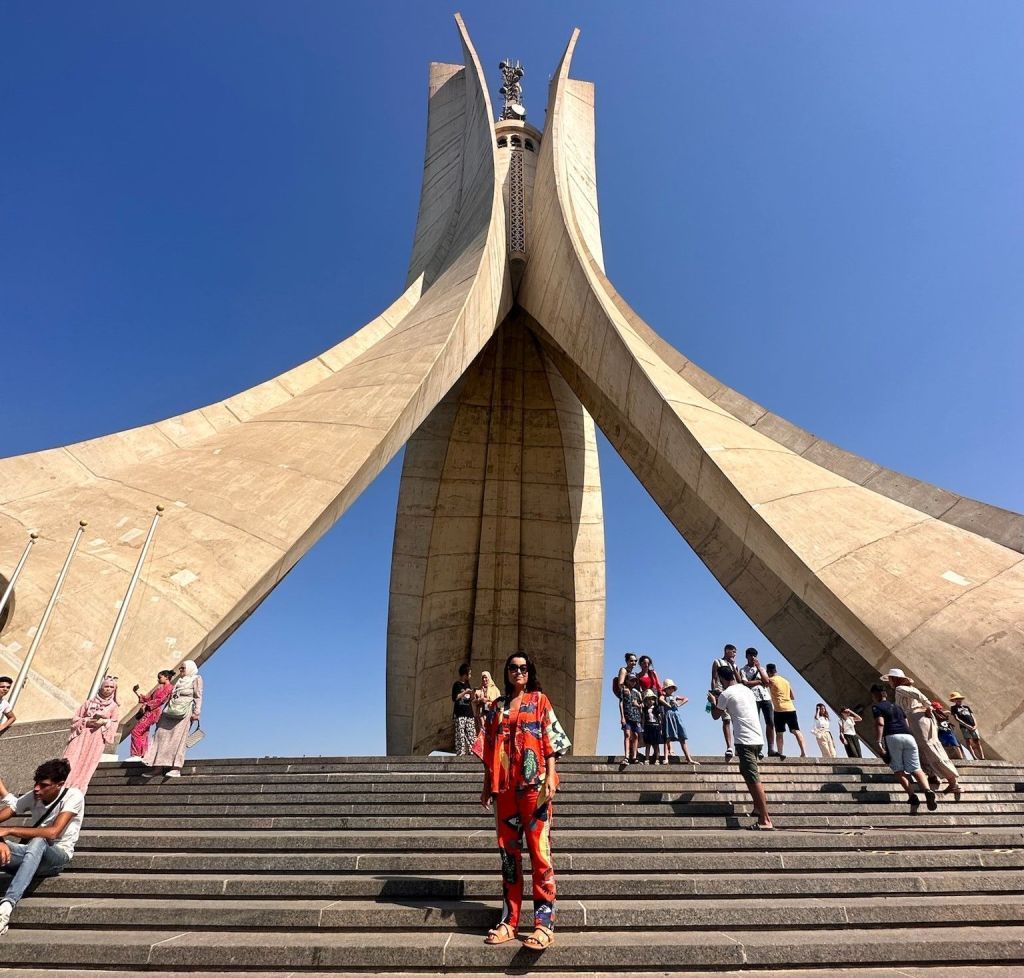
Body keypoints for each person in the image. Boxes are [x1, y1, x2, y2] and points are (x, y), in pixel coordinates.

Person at [480, 651, 571, 951]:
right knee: (509, 858)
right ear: (506, 672)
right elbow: (491, 747)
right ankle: (510, 921)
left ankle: (544, 924)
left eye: (523, 668)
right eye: (512, 668)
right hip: (504, 789)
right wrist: (486, 785)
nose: (518, 672)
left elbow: (551, 742)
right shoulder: (497, 707)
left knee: (539, 852)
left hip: (535, 787)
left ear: (529, 672)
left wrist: (551, 776)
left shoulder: (540, 701)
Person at [0, 758, 85, 937]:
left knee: (39, 840)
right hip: (29, 854)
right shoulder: (34, 795)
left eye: (44, 785)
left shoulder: (73, 796)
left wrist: (10, 830)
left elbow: (53, 833)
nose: (37, 789)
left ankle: (6, 905)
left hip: (56, 856)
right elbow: (8, 812)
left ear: (59, 785)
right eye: (36, 783)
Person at [709, 666, 773, 830]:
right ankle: (758, 807)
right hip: (758, 738)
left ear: (722, 680)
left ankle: (765, 820)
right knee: (746, 772)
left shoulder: (726, 694)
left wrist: (712, 701)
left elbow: (716, 715)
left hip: (745, 740)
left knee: (753, 777)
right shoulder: (746, 690)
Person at [882, 668, 960, 799]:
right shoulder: (905, 688)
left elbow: (919, 696)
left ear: (894, 679)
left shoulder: (900, 689)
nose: (889, 681)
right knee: (922, 748)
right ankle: (932, 775)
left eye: (890, 678)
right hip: (916, 718)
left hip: (917, 718)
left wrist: (928, 705)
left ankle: (952, 780)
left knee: (928, 746)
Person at [870, 683, 937, 811]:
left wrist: (878, 742)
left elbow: (880, 723)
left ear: (875, 695)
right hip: (908, 737)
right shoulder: (898, 707)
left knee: (898, 769)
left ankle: (912, 796)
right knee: (916, 768)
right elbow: (906, 723)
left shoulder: (877, 707)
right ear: (885, 694)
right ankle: (927, 790)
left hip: (892, 736)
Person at [144, 660, 203, 778]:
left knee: (178, 739)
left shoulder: (196, 679)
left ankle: (176, 768)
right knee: (161, 736)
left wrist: (196, 712)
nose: (180, 670)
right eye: (180, 668)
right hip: (170, 710)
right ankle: (157, 767)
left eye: (183, 668)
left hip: (184, 712)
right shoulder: (179, 681)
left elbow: (198, 695)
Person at [62, 675, 119, 792]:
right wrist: (86, 721)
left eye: (111, 687)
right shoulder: (88, 703)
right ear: (101, 687)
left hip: (96, 738)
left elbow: (114, 723)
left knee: (88, 761)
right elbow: (75, 718)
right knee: (71, 757)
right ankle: (63, 782)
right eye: (106, 686)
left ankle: (78, 786)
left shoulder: (113, 707)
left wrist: (105, 722)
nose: (108, 689)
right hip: (81, 734)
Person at [126, 670, 175, 761]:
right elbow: (148, 698)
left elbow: (160, 700)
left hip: (153, 712)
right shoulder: (159, 688)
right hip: (149, 711)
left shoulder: (169, 688)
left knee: (136, 731)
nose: (158, 679)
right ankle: (142, 754)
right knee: (143, 733)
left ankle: (137, 754)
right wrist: (137, 692)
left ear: (166, 677)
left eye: (160, 677)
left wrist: (146, 705)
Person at [766, 663, 807, 759]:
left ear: (769, 672)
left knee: (779, 733)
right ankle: (804, 752)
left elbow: (763, 682)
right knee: (796, 730)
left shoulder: (771, 680)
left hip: (779, 709)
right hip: (790, 708)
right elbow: (792, 696)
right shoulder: (786, 681)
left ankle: (780, 752)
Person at [738, 649, 774, 755]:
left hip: (765, 697)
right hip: (753, 698)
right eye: (751, 655)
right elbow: (745, 683)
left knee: (770, 722)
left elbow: (767, 682)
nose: (753, 657)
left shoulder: (761, 669)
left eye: (754, 655)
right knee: (755, 723)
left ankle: (771, 748)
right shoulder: (743, 670)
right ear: (747, 656)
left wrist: (759, 668)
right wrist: (759, 681)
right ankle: (759, 749)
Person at [710, 645, 741, 760]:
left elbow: (738, 680)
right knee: (726, 719)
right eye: (733, 652)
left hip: (733, 693)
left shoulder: (735, 665)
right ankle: (729, 747)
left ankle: (738, 745)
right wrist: (713, 691)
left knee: (735, 719)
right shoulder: (717, 662)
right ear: (727, 651)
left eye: (735, 652)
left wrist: (733, 665)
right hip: (720, 692)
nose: (734, 654)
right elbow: (713, 677)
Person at [660, 679, 697, 764]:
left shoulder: (675, 696)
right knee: (667, 738)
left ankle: (688, 759)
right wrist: (668, 704)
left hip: (676, 716)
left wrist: (678, 704)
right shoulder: (664, 697)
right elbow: (660, 699)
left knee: (682, 737)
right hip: (668, 716)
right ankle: (666, 758)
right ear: (665, 689)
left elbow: (686, 699)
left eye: (672, 688)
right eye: (669, 688)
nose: (670, 689)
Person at [949, 692, 984, 759]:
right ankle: (974, 757)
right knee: (968, 741)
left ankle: (982, 756)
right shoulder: (953, 708)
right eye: (956, 699)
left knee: (977, 741)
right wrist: (966, 725)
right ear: (954, 700)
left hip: (973, 726)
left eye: (959, 699)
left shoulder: (966, 707)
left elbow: (972, 716)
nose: (959, 700)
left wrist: (975, 725)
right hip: (964, 727)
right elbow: (957, 718)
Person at [618, 673, 643, 765]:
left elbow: (641, 705)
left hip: (636, 717)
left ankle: (634, 756)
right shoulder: (624, 690)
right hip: (627, 716)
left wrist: (638, 705)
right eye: (631, 680)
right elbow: (621, 703)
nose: (633, 682)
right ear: (627, 680)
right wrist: (622, 717)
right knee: (627, 735)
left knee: (636, 736)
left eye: (634, 680)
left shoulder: (636, 692)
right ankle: (626, 756)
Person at [451, 663, 475, 756]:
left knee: (471, 733)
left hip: (469, 713)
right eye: (469, 673)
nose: (470, 676)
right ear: (465, 674)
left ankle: (472, 752)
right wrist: (465, 692)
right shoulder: (457, 685)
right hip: (460, 713)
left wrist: (472, 693)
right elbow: (455, 698)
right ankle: (461, 753)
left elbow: (471, 699)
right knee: (460, 734)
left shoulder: (468, 684)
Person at [473, 671, 501, 735]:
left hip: (491, 716)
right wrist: (480, 699)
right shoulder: (478, 690)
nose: (484, 679)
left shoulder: (495, 690)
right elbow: (473, 701)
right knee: (481, 735)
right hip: (480, 717)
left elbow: (500, 703)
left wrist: (491, 702)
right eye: (482, 678)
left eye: (485, 677)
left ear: (489, 678)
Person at [642, 689, 664, 765]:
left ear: (654, 700)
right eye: (648, 699)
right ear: (646, 700)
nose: (650, 701)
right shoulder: (644, 709)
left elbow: (660, 718)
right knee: (648, 744)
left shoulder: (656, 708)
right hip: (648, 727)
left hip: (656, 726)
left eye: (652, 699)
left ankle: (657, 759)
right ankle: (647, 759)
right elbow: (643, 719)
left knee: (656, 744)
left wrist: (660, 727)